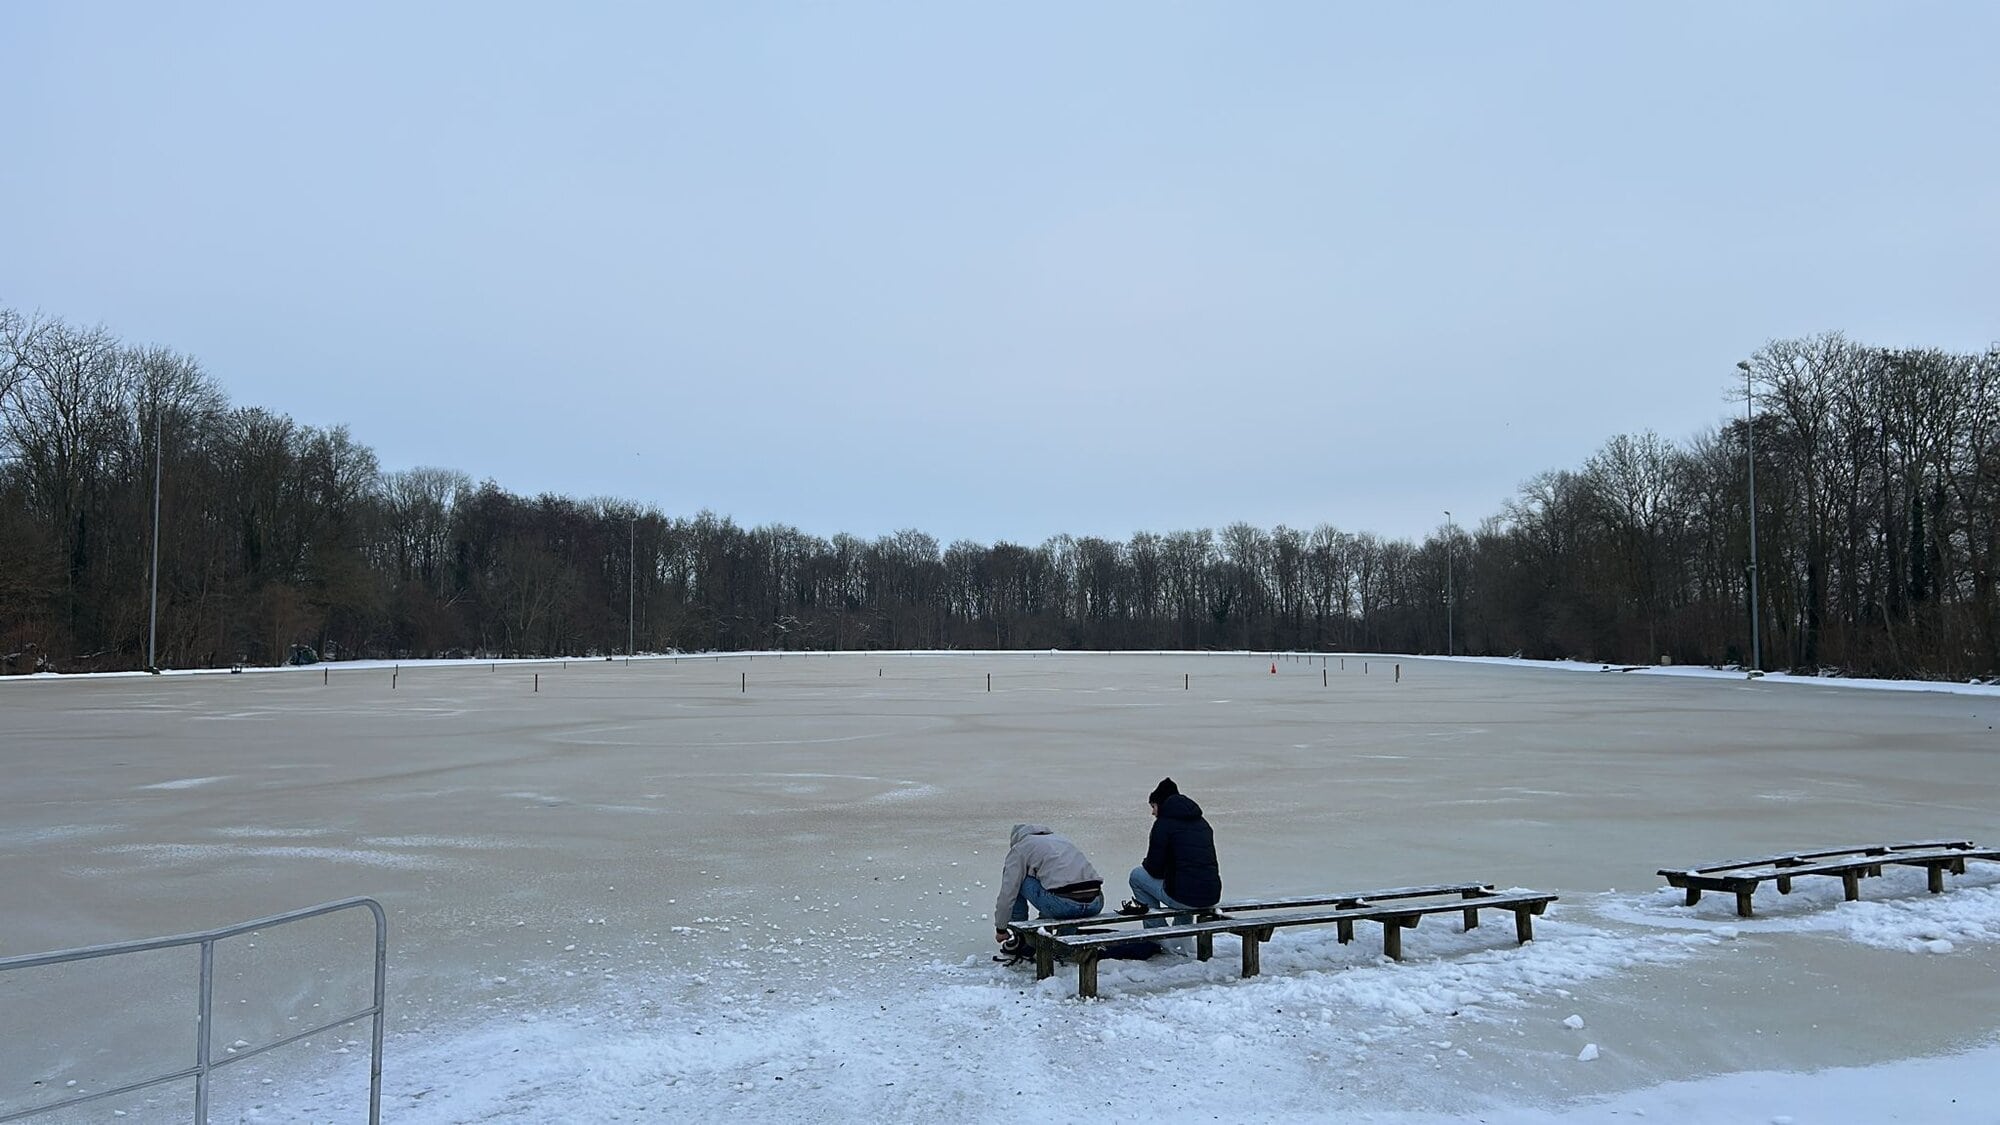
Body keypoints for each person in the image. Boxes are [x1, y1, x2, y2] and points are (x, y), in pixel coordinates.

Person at [1119, 777, 1221, 946]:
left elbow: (1154, 869)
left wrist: (1150, 864)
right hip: (1211, 894)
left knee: (1137, 876)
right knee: (1184, 881)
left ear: (1160, 804)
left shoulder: (1163, 824)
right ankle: (1182, 940)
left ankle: (1158, 935)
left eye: (1153, 806)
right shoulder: (1202, 822)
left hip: (1186, 897)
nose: (1152, 812)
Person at [993, 823, 1105, 958]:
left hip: (1064, 907)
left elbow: (1008, 892)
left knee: (1018, 881)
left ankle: (1020, 936)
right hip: (1095, 903)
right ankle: (1063, 946)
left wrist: (1001, 928)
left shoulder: (1020, 848)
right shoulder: (1061, 840)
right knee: (1065, 887)